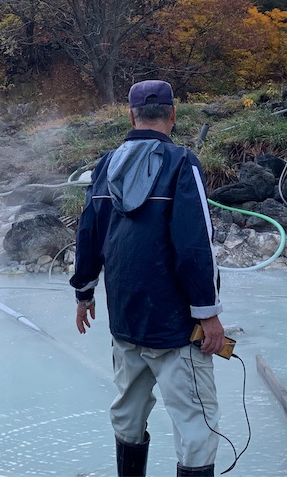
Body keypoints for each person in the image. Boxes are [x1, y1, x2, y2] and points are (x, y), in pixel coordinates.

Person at [70, 79, 226, 477]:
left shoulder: (104, 165)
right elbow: (195, 245)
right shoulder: (181, 162)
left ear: (131, 115)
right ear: (173, 114)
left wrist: (84, 293)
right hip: (176, 328)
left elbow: (88, 233)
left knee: (127, 414)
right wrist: (208, 313)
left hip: (125, 320)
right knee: (196, 424)